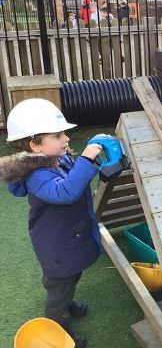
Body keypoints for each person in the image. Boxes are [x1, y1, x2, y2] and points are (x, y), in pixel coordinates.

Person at [0, 98, 103, 348]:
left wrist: (91, 162)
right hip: (56, 246)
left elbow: (75, 177)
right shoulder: (37, 174)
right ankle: (58, 326)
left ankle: (66, 300)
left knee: (72, 276)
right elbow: (65, 192)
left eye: (64, 133)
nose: (66, 138)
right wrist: (86, 160)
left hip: (69, 237)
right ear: (35, 145)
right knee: (59, 289)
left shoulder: (56, 158)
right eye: (58, 135)